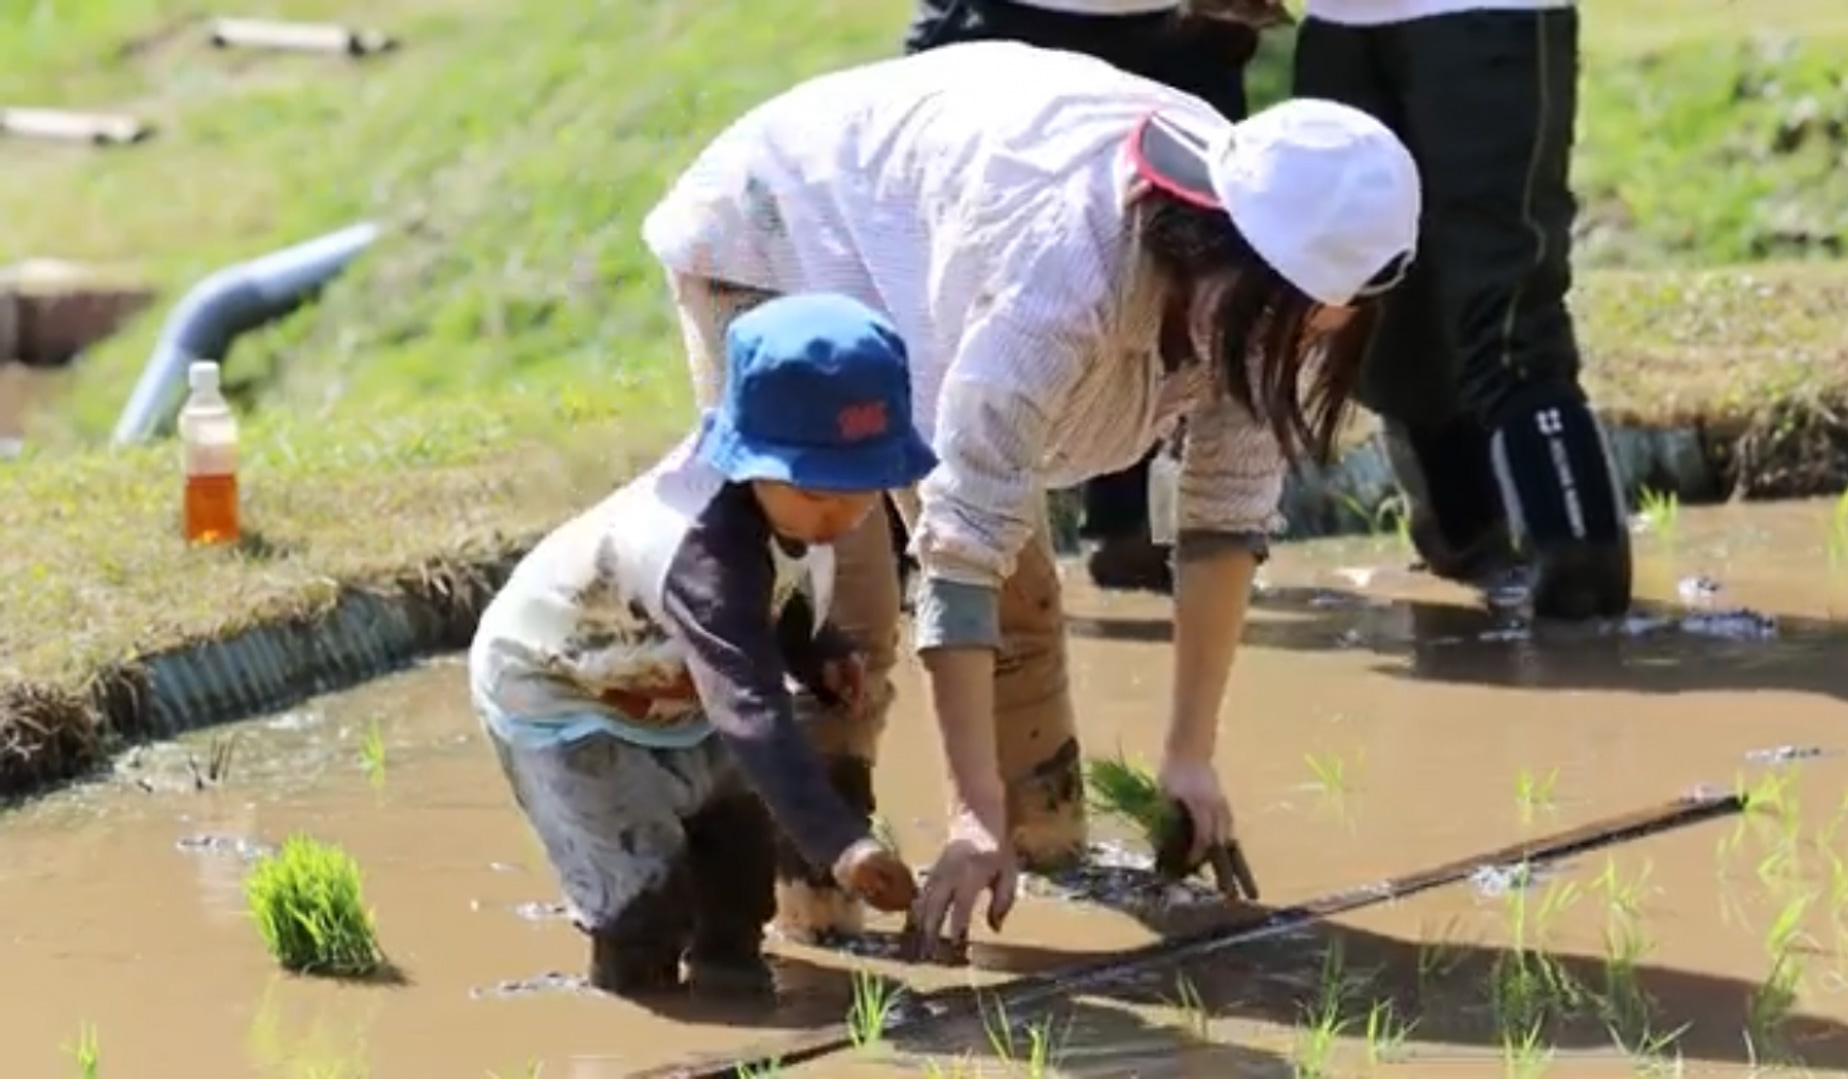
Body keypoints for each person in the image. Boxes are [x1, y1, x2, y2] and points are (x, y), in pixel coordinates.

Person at [641, 41, 1420, 953]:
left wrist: (1190, 755)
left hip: (942, 233)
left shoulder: (1268, 303)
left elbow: (1224, 516)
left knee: (1023, 595)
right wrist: (971, 814)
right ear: (1225, 249)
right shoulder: (1062, 279)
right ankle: (820, 917)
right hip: (786, 227)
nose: (1299, 347)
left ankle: (1046, 852)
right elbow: (962, 542)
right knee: (838, 610)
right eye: (1291, 318)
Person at [467, 293, 932, 998]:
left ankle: (733, 984)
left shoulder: (793, 510)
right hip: (564, 692)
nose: (840, 511)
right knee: (644, 900)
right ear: (749, 459)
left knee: (739, 876)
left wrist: (816, 649)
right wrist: (842, 842)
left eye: (862, 488)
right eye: (818, 489)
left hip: (670, 680)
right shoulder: (699, 554)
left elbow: (777, 597)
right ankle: (636, 996)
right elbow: (751, 709)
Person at [897, 0, 1278, 594]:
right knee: (938, 275)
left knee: (1195, 273)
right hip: (1004, 19)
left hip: (1174, 29)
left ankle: (1130, 530)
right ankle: (904, 552)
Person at [1290, 0, 1633, 620]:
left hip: (1484, 18)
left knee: (1506, 318)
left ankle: (1585, 588)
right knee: (1381, 309)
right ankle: (1476, 556)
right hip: (1341, 26)